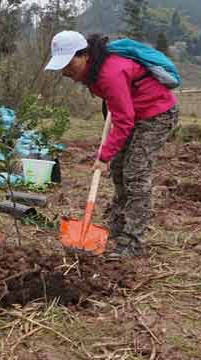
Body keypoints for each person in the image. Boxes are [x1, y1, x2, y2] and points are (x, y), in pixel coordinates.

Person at [45, 31, 179, 257]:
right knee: (118, 170)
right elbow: (119, 109)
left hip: (157, 114)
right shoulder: (94, 71)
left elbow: (124, 121)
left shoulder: (110, 73)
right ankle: (117, 225)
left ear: (84, 55)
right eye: (61, 66)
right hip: (135, 113)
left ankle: (133, 241)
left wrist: (103, 156)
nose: (65, 72)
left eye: (69, 64)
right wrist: (110, 157)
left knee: (135, 173)